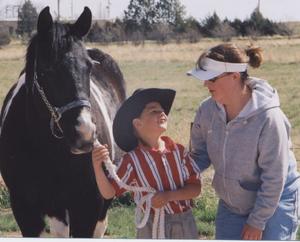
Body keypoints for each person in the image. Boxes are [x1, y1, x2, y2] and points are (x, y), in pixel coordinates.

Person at [187, 43, 300, 240]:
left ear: (234, 76)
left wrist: (257, 221)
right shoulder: (206, 111)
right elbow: (199, 155)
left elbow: (274, 178)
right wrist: (171, 172)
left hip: (276, 201)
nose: (205, 85)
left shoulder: (269, 118)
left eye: (211, 78)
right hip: (232, 203)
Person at [92, 88, 201, 239]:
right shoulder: (132, 161)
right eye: (153, 111)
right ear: (138, 124)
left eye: (162, 110)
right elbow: (109, 192)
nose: (162, 113)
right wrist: (97, 167)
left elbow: (195, 189)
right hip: (150, 225)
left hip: (183, 222)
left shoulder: (179, 152)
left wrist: (168, 196)